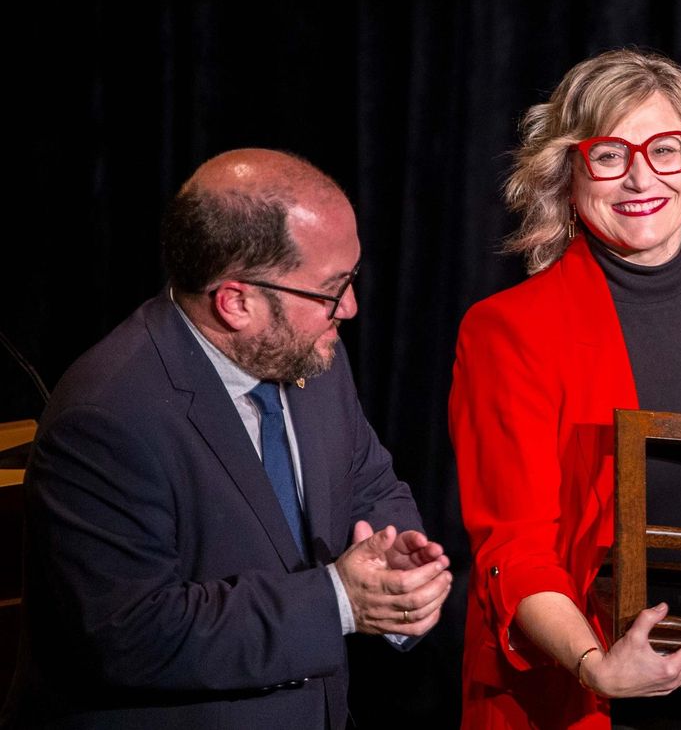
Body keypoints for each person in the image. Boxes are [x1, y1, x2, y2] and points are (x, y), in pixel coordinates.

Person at [4, 150, 451, 729]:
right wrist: (340, 602)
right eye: (331, 289)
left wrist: (398, 576)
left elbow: (369, 484)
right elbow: (133, 634)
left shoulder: (312, 358)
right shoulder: (106, 416)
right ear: (237, 301)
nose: (351, 307)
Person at [449, 49, 681, 729]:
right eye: (608, 155)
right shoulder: (509, 330)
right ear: (567, 173)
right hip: (585, 688)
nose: (640, 177)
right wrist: (598, 665)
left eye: (664, 148)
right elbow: (516, 549)